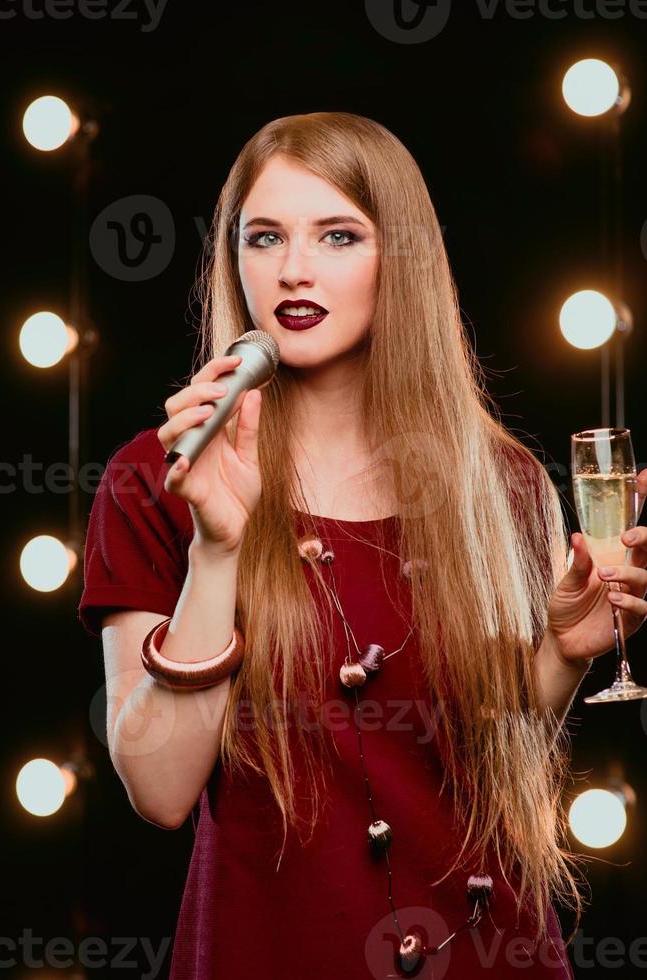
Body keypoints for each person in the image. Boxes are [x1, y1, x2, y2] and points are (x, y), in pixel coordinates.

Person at [78, 111, 647, 979]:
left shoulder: (501, 481)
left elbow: (477, 744)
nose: (293, 269)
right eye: (263, 237)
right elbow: (158, 792)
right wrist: (218, 551)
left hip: (488, 951)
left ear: (403, 261)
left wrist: (563, 658)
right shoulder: (153, 479)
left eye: (338, 235)